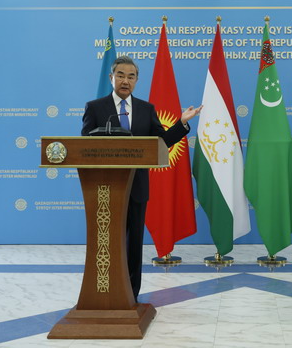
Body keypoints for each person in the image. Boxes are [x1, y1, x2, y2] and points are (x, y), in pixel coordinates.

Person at [81, 55, 202, 302]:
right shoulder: (95, 107)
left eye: (131, 76)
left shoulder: (146, 109)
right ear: (111, 77)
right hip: (104, 189)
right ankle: (103, 292)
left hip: (136, 187)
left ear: (136, 80)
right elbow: (85, 146)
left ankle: (130, 295)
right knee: (106, 241)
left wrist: (181, 123)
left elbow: (162, 142)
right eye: (121, 75)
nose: (125, 81)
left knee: (133, 243)